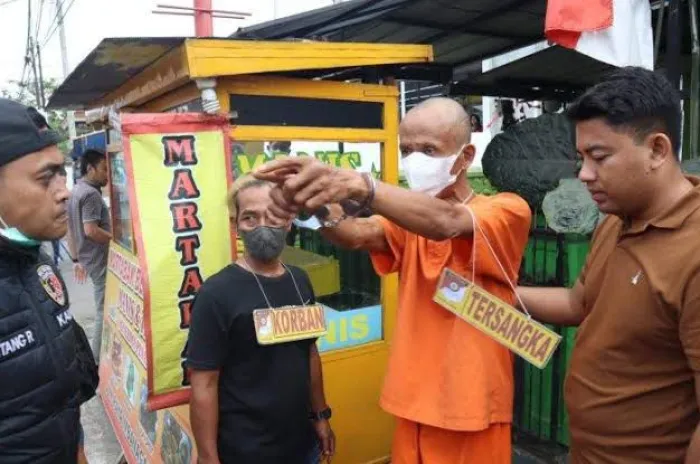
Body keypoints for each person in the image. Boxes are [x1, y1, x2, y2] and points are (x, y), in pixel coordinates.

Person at [255, 97, 532, 464]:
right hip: (413, 399)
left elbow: (446, 222)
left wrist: (362, 187)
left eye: (429, 150)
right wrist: (316, 203)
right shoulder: (407, 220)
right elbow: (355, 234)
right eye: (407, 150)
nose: (414, 160)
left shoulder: (506, 209)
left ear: (465, 157)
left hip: (471, 405)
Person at [516, 67, 700, 463]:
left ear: (657, 150)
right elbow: (579, 303)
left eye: (599, 157)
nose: (583, 174)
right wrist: (495, 293)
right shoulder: (615, 220)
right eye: (581, 158)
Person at [186, 175, 335, 464]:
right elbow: (203, 383)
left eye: (273, 215)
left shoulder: (300, 280)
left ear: (289, 220)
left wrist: (320, 415)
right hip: (246, 452)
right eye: (250, 218)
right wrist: (207, 457)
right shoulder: (216, 294)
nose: (263, 226)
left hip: (302, 446)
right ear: (235, 226)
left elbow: (310, 353)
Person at [0, 98, 87, 462]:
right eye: (44, 177)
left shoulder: (39, 265)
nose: (64, 190)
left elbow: (63, 398)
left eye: (61, 173)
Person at [67, 148, 111, 363]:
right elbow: (90, 230)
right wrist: (116, 240)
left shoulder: (76, 190)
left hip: (87, 258)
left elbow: (69, 229)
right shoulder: (91, 194)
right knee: (103, 309)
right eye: (104, 169)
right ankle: (94, 360)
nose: (107, 175)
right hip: (99, 259)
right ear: (90, 168)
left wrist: (75, 259)